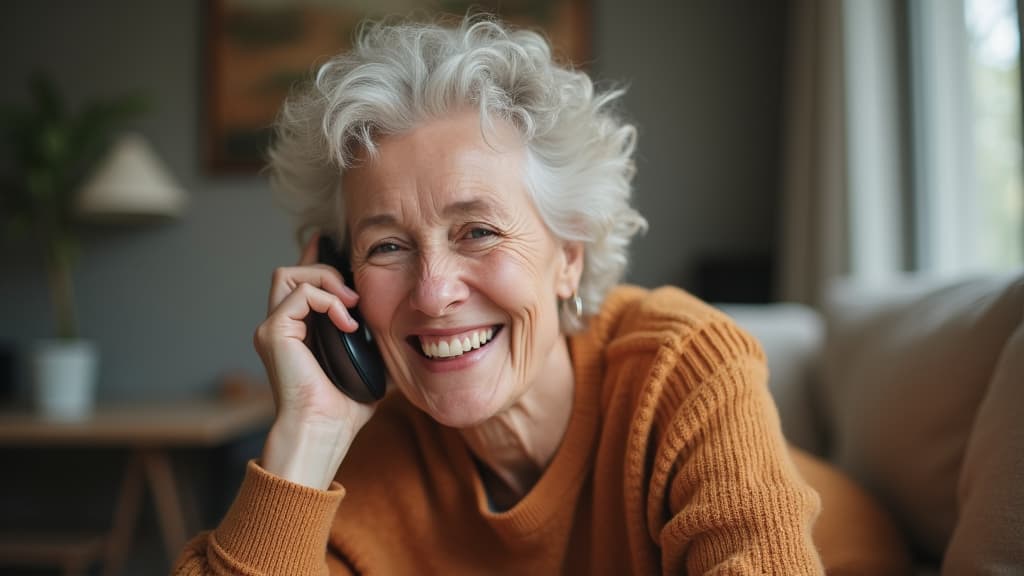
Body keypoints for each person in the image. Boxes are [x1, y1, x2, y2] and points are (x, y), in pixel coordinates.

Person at [175, 14, 910, 575]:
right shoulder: (370, 463)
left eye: (478, 232)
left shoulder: (682, 369)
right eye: (387, 246)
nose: (432, 294)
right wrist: (308, 436)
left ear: (569, 256)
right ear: (339, 276)